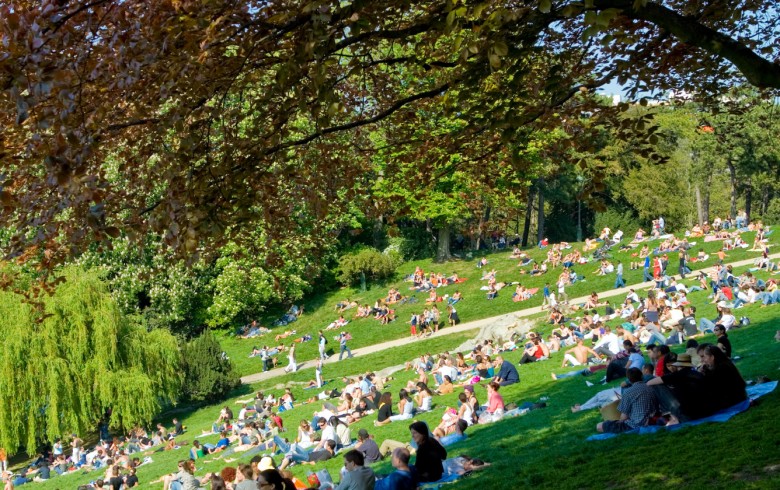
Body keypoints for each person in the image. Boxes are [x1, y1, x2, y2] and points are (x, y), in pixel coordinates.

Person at [596, 368, 659, 434]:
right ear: (641, 376)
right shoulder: (651, 387)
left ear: (629, 379)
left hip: (636, 424)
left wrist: (618, 422)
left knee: (599, 426)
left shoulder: (628, 392)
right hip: (653, 419)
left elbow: (623, 417)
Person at [698, 343, 747, 412]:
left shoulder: (721, 368)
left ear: (712, 357)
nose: (703, 360)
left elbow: (711, 386)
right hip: (739, 396)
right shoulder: (725, 363)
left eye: (705, 357)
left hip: (732, 400)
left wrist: (700, 374)